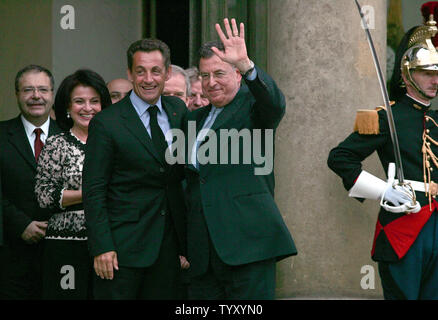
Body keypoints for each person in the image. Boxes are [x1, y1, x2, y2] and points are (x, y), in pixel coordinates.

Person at [183, 18, 297, 299]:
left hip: (248, 246)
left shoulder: (253, 108)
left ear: (236, 74)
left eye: (219, 73)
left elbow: (275, 103)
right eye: (204, 75)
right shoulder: (193, 119)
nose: (211, 83)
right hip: (203, 253)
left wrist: (247, 65)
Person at [327, 18, 438, 299]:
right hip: (404, 227)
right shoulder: (386, 117)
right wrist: (383, 190)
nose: (434, 80)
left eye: (437, 72)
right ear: (407, 74)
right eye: (426, 72)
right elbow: (340, 158)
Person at [82, 38, 189, 300]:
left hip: (168, 247)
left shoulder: (178, 110)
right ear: (130, 74)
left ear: (168, 73)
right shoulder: (107, 123)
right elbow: (94, 189)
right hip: (121, 249)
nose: (148, 79)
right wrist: (102, 246)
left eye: (155, 71)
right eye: (140, 71)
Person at [34, 69, 111, 299]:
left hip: (109, 243)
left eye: (94, 101)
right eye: (79, 101)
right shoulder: (56, 144)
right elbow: (43, 196)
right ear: (67, 107)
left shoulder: (114, 142)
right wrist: (90, 193)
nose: (87, 108)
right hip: (65, 246)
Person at [0, 64, 61, 299]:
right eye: (28, 90)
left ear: (52, 95)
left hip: (61, 255)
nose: (36, 96)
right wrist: (21, 224)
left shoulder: (70, 136)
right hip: (12, 258)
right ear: (16, 94)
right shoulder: (2, 136)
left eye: (43, 90)